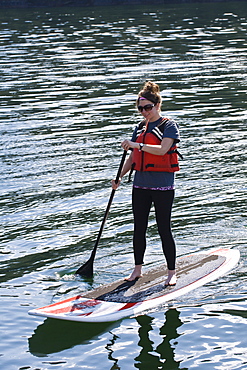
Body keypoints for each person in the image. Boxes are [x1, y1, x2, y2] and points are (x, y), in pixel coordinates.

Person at [112, 81, 181, 286]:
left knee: (163, 229)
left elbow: (161, 150)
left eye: (148, 107)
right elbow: (134, 157)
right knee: (138, 228)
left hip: (162, 187)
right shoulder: (140, 127)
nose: (144, 112)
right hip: (140, 185)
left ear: (157, 105)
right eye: (140, 108)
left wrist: (137, 144)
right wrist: (120, 177)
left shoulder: (169, 126)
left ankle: (171, 272)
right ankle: (137, 270)